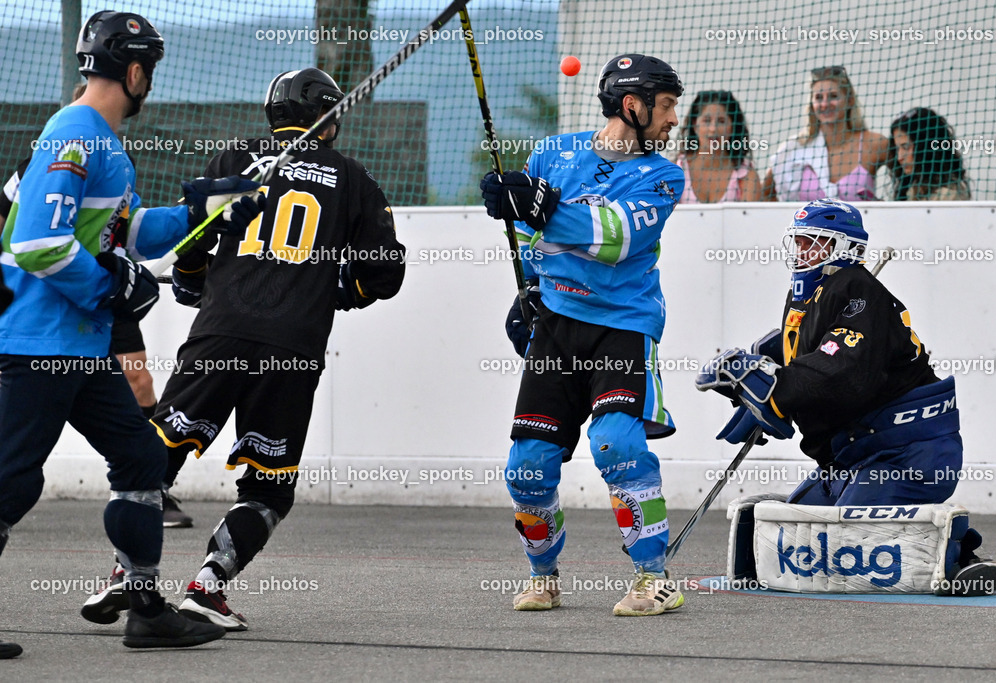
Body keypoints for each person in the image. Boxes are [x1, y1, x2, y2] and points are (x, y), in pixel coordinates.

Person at [84, 68, 406, 631]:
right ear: (326, 116)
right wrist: (336, 291)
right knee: (268, 487)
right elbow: (386, 272)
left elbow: (192, 239)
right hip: (292, 346)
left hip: (220, 333)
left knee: (156, 456)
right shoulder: (354, 178)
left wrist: (192, 285)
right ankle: (207, 590)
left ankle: (127, 572)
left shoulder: (235, 159)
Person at [0, 10, 265, 650]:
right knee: (10, 480)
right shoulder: (75, 133)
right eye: (151, 71)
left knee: (142, 459)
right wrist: (108, 288)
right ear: (137, 72)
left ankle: (145, 608)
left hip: (80, 347)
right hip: (39, 345)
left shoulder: (106, 143)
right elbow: (37, 243)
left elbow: (133, 234)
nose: (151, 83)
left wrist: (203, 208)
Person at [695, 198, 996, 596]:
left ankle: (960, 559)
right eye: (799, 241)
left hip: (906, 454)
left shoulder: (858, 290)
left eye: (814, 241)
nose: (803, 250)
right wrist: (758, 394)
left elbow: (838, 372)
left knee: (846, 538)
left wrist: (776, 392)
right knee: (800, 530)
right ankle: (932, 542)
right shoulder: (814, 293)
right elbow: (801, 353)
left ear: (846, 247)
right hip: (853, 457)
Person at [479, 54, 687, 616]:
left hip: (623, 324)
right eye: (667, 106)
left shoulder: (664, 177)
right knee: (527, 467)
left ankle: (654, 578)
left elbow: (614, 239)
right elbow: (528, 232)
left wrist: (541, 207)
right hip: (557, 322)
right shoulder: (552, 152)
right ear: (633, 105)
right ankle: (543, 575)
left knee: (617, 445)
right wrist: (528, 284)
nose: (674, 120)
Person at [764, 66, 888, 201]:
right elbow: (765, 193)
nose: (825, 104)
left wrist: (887, 208)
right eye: (818, 97)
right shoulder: (793, 149)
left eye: (833, 96)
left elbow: (904, 174)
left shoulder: (874, 144)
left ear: (849, 100)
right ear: (812, 104)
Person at [675, 90, 761, 202]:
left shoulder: (747, 175)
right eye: (706, 120)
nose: (713, 129)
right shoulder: (676, 169)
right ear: (695, 125)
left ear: (733, 127)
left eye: (721, 121)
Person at [888, 107, 970, 201]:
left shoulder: (948, 194)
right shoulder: (911, 188)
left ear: (925, 147)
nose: (899, 157)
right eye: (897, 149)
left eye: (906, 147)